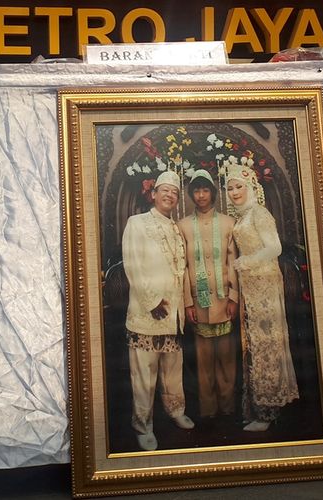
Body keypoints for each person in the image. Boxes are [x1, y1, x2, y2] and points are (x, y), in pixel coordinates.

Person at [121, 170, 195, 451]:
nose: (170, 195)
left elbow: (183, 271)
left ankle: (176, 411)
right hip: (146, 314)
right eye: (164, 190)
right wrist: (153, 302)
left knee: (172, 371)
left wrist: (181, 307)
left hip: (173, 317)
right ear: (153, 194)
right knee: (144, 372)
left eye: (175, 193)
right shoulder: (137, 223)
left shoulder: (176, 229)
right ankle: (143, 424)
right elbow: (133, 265)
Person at [224, 164, 299, 432]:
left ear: (251, 187)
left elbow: (274, 248)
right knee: (254, 344)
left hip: (265, 284)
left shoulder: (259, 213)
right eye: (230, 188)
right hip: (250, 288)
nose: (234, 192)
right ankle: (256, 407)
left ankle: (268, 412)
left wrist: (247, 262)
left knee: (267, 343)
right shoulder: (243, 217)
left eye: (239, 187)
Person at [177, 170, 239, 421]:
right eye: (196, 191)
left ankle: (228, 407)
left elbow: (233, 260)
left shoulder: (228, 224)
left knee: (226, 358)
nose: (201, 195)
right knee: (203, 361)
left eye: (205, 190)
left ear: (213, 193)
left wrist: (234, 297)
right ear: (191, 195)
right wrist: (188, 302)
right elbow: (183, 268)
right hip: (199, 303)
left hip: (224, 301)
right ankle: (208, 410)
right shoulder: (182, 226)